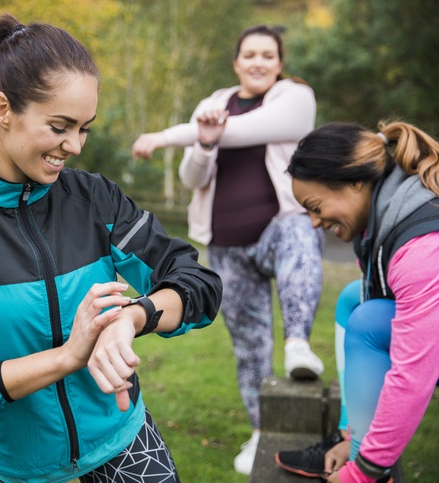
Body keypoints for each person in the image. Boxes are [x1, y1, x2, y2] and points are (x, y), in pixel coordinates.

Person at [0, 13, 222, 483]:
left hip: (126, 446)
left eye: (84, 128)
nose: (76, 146)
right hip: (9, 468)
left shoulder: (93, 198)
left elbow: (197, 284)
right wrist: (67, 356)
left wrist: (131, 317)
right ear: (3, 110)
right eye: (61, 126)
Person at [132, 24, 325, 475]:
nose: (259, 62)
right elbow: (191, 178)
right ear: (236, 61)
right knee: (249, 346)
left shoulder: (295, 97)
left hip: (279, 227)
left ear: (280, 63)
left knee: (300, 238)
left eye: (268, 55)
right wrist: (201, 142)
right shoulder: (213, 105)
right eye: (250, 54)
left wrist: (166, 136)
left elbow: (245, 132)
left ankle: (298, 342)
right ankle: (260, 429)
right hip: (226, 245)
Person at [284, 121, 439, 482]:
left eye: (316, 205)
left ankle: (373, 471)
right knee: (354, 300)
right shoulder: (383, 220)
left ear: (355, 182)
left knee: (369, 321)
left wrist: (364, 471)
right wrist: (353, 436)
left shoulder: (421, 248)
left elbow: (412, 376)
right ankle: (351, 438)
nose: (313, 222)